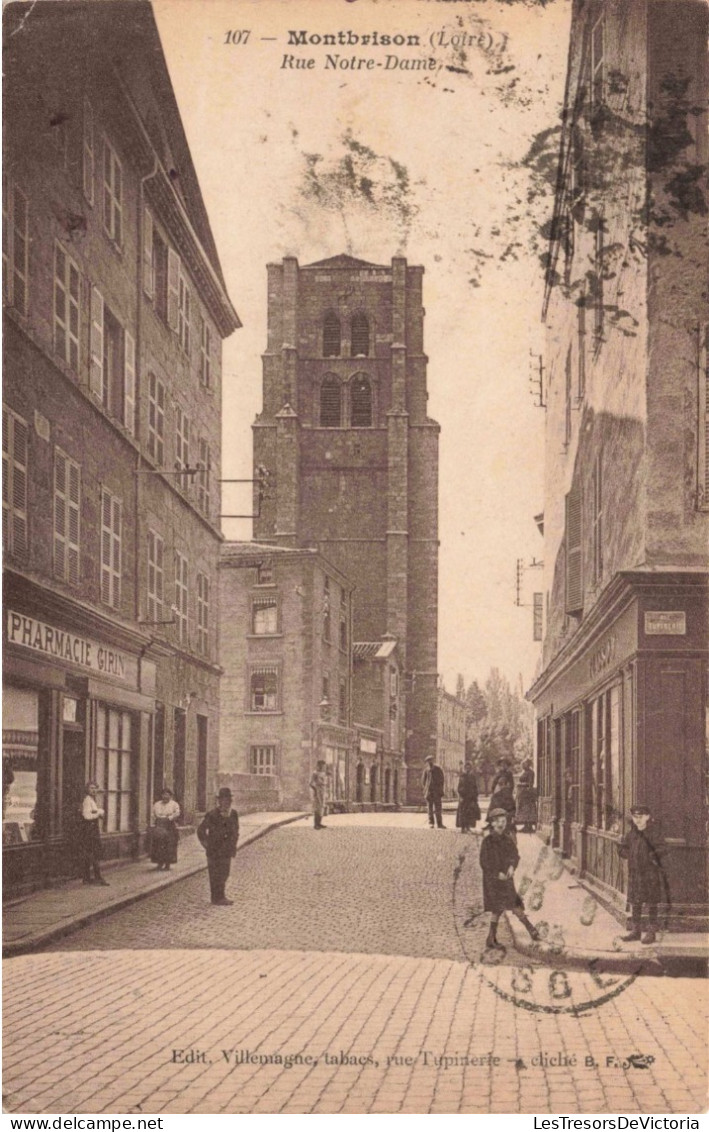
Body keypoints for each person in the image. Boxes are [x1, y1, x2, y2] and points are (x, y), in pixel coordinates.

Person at [479, 807, 539, 950]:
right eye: (498, 821)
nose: (501, 823)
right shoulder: (487, 842)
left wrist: (512, 866)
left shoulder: (508, 840)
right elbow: (484, 862)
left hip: (506, 879)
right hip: (493, 881)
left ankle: (492, 937)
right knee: (500, 908)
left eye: (504, 821)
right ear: (492, 824)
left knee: (510, 905)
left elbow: (515, 855)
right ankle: (529, 930)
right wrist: (496, 874)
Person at [618, 804, 667, 944]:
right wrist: (625, 851)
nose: (637, 820)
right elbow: (623, 850)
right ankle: (636, 931)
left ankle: (651, 933)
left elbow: (663, 848)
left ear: (647, 817)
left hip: (650, 874)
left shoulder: (654, 833)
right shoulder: (632, 834)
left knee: (652, 903)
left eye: (640, 817)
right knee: (636, 903)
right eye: (635, 817)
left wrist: (652, 856)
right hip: (635, 874)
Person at [197, 787, 239, 905]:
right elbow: (201, 831)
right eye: (224, 800)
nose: (226, 802)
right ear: (219, 801)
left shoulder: (234, 814)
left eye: (228, 800)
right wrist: (207, 845)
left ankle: (221, 896)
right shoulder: (212, 815)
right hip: (214, 851)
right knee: (215, 874)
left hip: (227, 850)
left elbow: (236, 830)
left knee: (225, 873)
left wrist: (233, 845)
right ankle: (216, 898)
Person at [80, 782, 109, 886]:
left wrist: (97, 812)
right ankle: (98, 877)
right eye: (91, 788)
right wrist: (99, 812)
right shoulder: (87, 800)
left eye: (95, 788)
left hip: (92, 830)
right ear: (87, 789)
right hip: (90, 830)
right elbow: (87, 816)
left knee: (90, 853)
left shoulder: (91, 800)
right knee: (94, 853)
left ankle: (87, 878)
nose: (93, 790)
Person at [151, 786, 180, 871]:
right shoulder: (157, 804)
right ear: (161, 796)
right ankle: (159, 863)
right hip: (159, 825)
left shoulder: (174, 804)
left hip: (169, 826)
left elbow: (177, 813)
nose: (165, 797)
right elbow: (154, 814)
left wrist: (169, 818)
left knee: (169, 845)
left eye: (167, 795)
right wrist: (158, 819)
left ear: (170, 796)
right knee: (159, 845)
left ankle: (168, 864)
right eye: (164, 795)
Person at [455, 762, 481, 833]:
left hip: (471, 798)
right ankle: (463, 827)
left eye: (469, 767)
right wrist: (461, 795)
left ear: (471, 768)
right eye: (466, 767)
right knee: (463, 813)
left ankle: (468, 827)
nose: (468, 769)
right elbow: (459, 787)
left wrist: (475, 796)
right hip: (464, 797)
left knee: (470, 813)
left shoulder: (472, 777)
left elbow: (475, 787)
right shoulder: (462, 776)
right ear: (464, 768)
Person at [421, 754, 446, 828]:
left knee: (438, 808)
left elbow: (442, 780)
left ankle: (439, 823)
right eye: (428, 761)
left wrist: (440, 789)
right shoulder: (426, 770)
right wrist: (425, 789)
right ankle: (431, 823)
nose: (429, 762)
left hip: (436, 792)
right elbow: (423, 781)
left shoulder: (438, 769)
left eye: (431, 761)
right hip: (429, 792)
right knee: (430, 808)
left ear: (433, 761)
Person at [515, 759, 538, 833]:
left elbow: (530, 783)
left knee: (528, 809)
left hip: (527, 793)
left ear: (528, 764)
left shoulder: (531, 772)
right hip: (522, 792)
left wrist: (524, 786)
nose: (523, 765)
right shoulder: (524, 772)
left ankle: (529, 825)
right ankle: (525, 824)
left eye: (524, 764)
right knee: (523, 809)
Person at [309, 760, 328, 829]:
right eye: (322, 766)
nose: (323, 767)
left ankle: (319, 823)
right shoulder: (315, 773)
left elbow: (325, 783)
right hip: (318, 791)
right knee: (317, 808)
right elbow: (311, 783)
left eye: (324, 766)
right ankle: (316, 824)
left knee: (322, 807)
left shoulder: (323, 773)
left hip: (323, 791)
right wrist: (316, 790)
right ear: (319, 766)